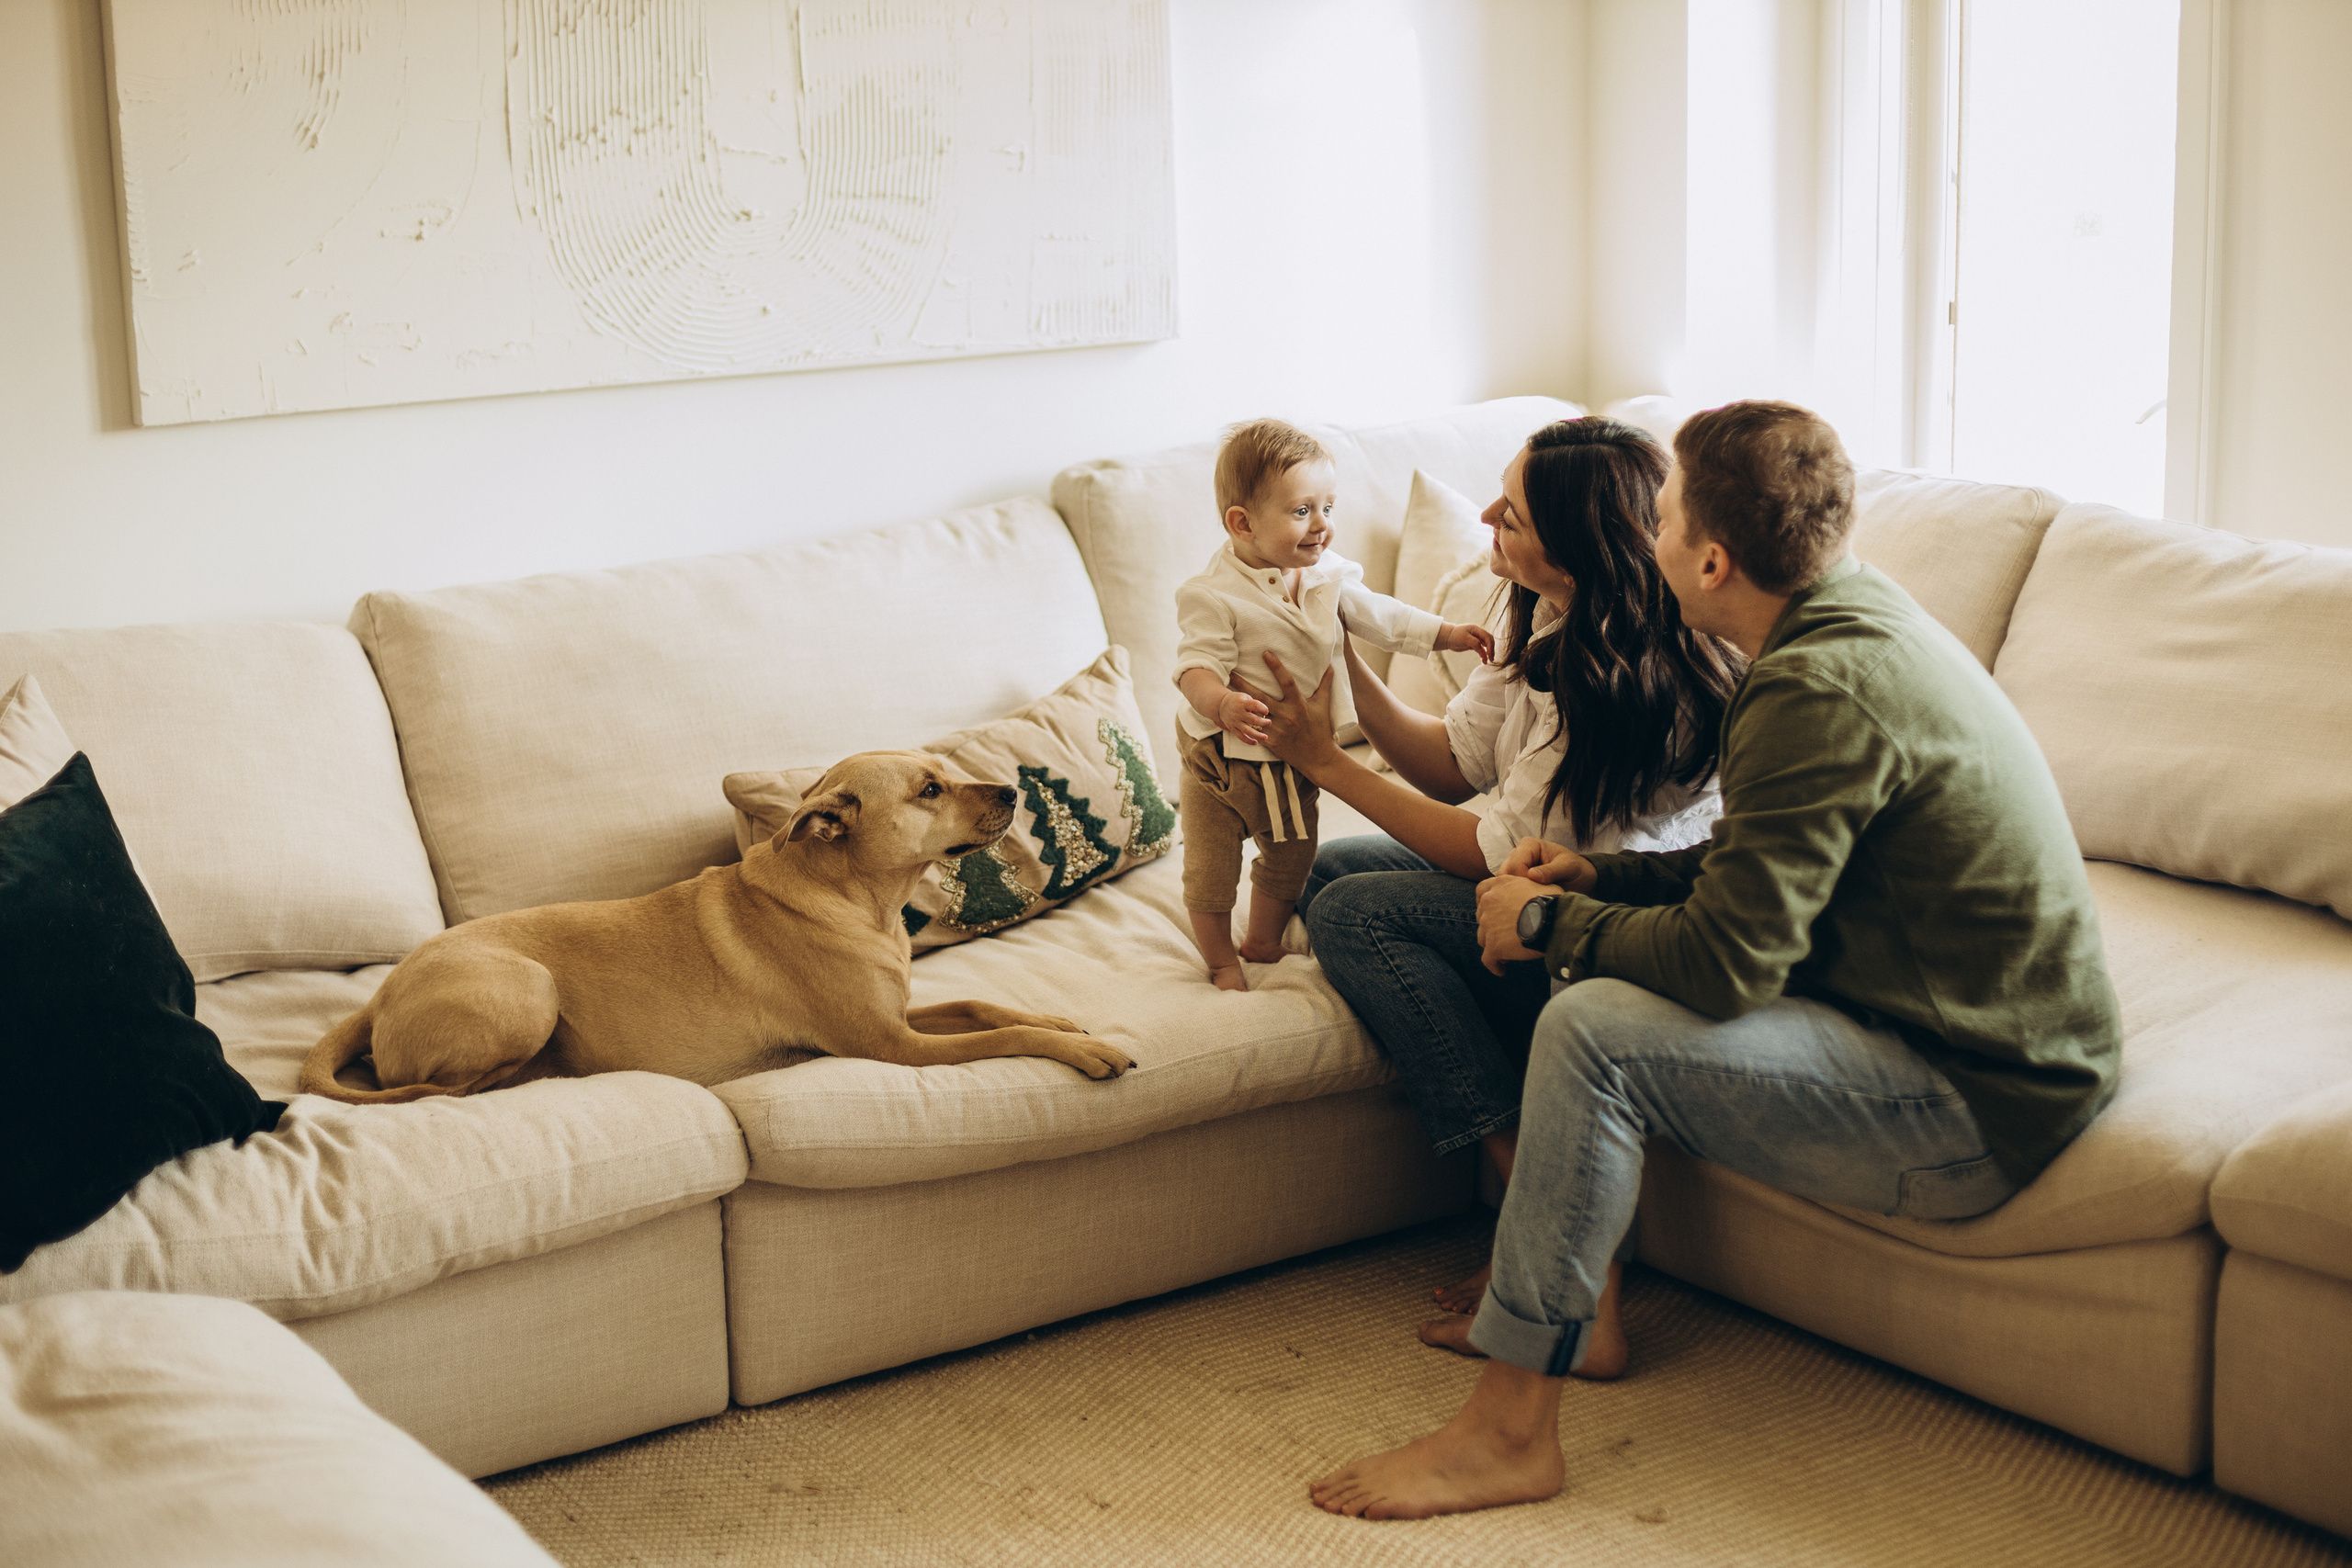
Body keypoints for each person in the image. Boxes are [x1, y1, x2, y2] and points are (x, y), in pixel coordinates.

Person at [1301, 400, 2124, 1520]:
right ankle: (1545, 1324)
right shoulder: (1842, 624)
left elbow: (1729, 965)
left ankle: (1504, 1435)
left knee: (1589, 1032)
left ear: (1711, 557)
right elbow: (1750, 873)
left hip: (1971, 1099)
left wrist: (1547, 928)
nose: (1646, 537)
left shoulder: (1812, 687)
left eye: (1664, 516)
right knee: (1532, 972)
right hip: (1945, 1027)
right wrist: (1599, 881)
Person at [1258, 416, 1742, 1329]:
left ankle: (1543, 1214)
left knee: (1359, 916)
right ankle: (1541, 1111)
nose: (1485, 513)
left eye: (1511, 515)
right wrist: (1339, 653)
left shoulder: (1623, 681)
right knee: (1329, 879)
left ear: (1575, 544)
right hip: (1536, 890)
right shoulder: (1549, 612)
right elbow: (1453, 765)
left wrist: (1326, 763)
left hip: (1615, 931)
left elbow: (1487, 853)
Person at [1173, 418, 1494, 991]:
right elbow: (1194, 668)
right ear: (1241, 523)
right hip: (1218, 759)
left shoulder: (1326, 575)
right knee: (1210, 867)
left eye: (1328, 506)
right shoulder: (1211, 595)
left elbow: (1385, 618)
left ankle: (1263, 940)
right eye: (1302, 511)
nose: (1322, 525)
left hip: (1291, 753)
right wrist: (1220, 702)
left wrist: (1447, 634)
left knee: (1294, 852)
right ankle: (1221, 960)